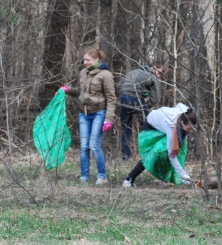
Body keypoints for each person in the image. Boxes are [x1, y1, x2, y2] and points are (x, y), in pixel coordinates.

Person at [61, 46, 116, 185]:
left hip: (99, 113)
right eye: (84, 59)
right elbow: (81, 92)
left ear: (97, 59)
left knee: (94, 145)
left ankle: (102, 176)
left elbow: (111, 98)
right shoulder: (83, 72)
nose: (85, 62)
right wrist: (67, 90)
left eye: (88, 60)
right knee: (84, 146)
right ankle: (84, 176)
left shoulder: (105, 75)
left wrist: (108, 119)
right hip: (84, 114)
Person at [122, 104, 196, 187]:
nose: (190, 131)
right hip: (151, 128)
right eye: (188, 129)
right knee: (154, 154)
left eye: (192, 128)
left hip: (164, 124)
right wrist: (183, 176)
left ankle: (167, 179)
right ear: (182, 123)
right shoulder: (171, 127)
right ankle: (129, 179)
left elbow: (179, 105)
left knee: (182, 148)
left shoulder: (186, 113)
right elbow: (172, 155)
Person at [118, 63, 165, 160]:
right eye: (159, 73)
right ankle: (151, 154)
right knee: (149, 127)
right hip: (136, 98)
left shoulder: (133, 72)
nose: (159, 76)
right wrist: (147, 106)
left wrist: (123, 97)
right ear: (154, 68)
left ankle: (126, 157)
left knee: (125, 129)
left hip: (123, 99)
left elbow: (119, 86)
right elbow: (155, 98)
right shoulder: (151, 76)